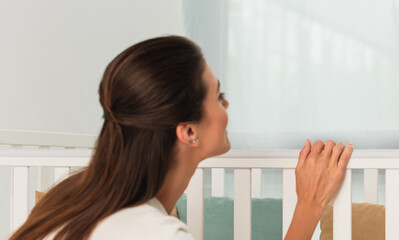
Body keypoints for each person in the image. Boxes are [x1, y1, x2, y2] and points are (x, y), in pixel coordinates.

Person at [9, 36, 353, 240]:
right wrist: (309, 205)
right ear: (188, 131)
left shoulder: (66, 199)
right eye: (219, 96)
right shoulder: (157, 233)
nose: (227, 105)